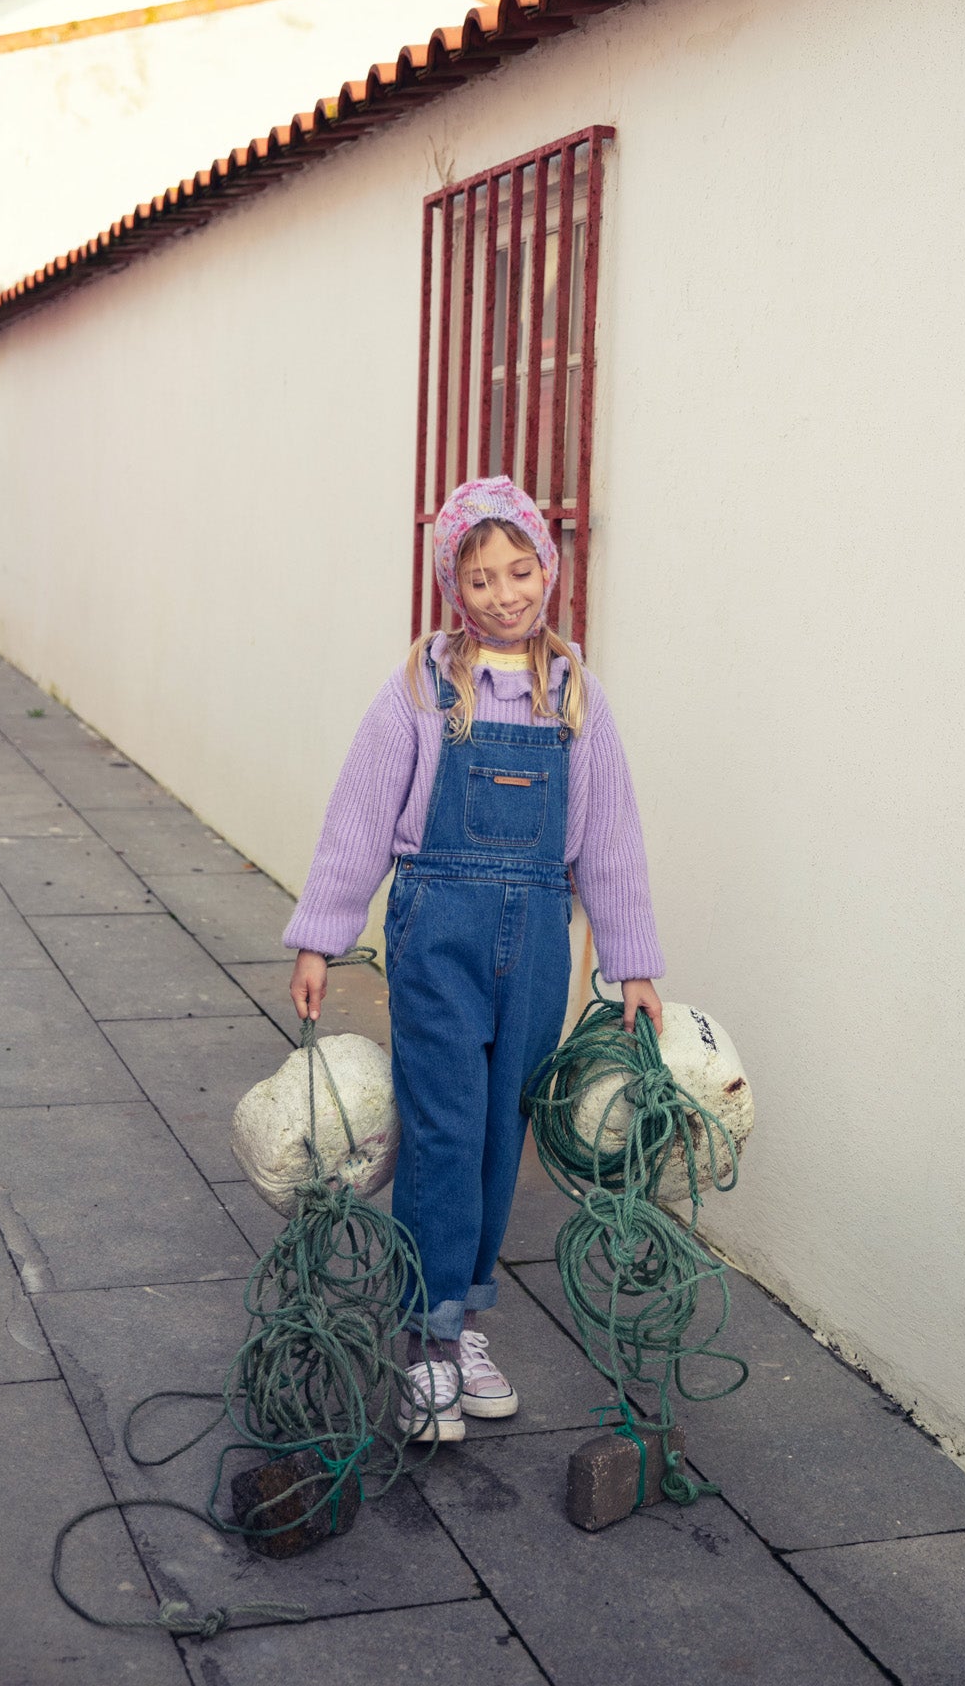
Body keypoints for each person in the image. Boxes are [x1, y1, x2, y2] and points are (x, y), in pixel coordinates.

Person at [283, 476, 664, 1442]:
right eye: (481, 576)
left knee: (503, 1135)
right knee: (445, 1127)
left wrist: (632, 967)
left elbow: (610, 840)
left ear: (548, 568)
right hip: (436, 932)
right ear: (453, 582)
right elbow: (360, 814)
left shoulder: (576, 698)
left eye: (520, 570)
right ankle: (426, 1341)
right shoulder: (419, 690)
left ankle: (467, 1320)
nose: (504, 593)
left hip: (538, 939)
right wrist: (322, 936)